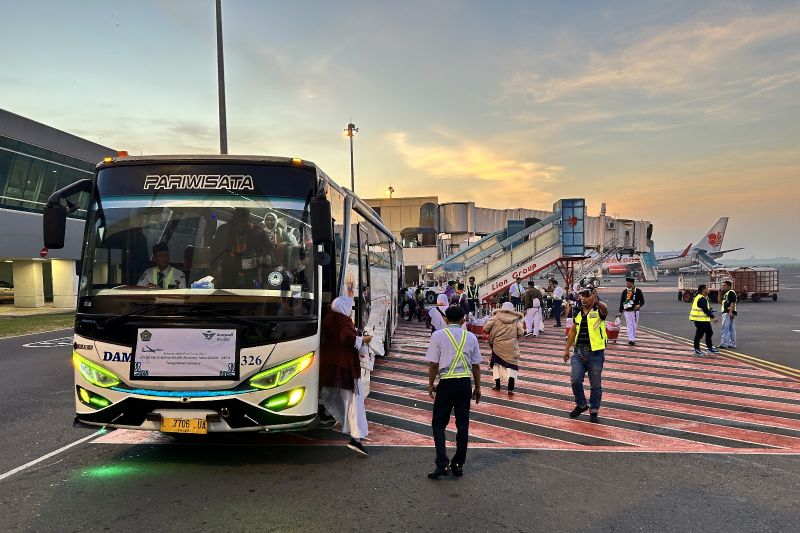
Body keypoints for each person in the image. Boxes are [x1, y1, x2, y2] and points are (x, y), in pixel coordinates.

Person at [425, 305, 482, 479]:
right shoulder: (471, 337)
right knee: (463, 424)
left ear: (445, 319)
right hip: (464, 384)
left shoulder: (438, 336)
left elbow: (433, 364)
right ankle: (458, 464)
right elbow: (476, 365)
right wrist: (478, 387)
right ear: (463, 320)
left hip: (446, 384)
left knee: (438, 423)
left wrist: (430, 384)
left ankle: (442, 463)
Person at [319, 296, 373, 456]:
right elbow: (347, 339)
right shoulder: (344, 321)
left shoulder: (327, 319)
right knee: (354, 404)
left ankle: (325, 413)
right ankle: (356, 439)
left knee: (329, 392)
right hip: (345, 367)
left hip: (329, 365)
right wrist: (364, 339)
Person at [563, 284, 608, 423]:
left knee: (595, 385)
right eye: (581, 296)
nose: (583, 298)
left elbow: (604, 309)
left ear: (593, 297)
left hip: (595, 353)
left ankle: (594, 410)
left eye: (586, 296)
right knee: (575, 380)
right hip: (579, 352)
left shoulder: (598, 310)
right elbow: (572, 331)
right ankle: (581, 404)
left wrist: (596, 300)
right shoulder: (577, 312)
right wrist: (566, 349)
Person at [210, 208, 274, 289]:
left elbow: (269, 253)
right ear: (234, 216)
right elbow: (214, 252)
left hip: (250, 277)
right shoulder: (224, 230)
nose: (242, 219)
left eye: (244, 216)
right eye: (239, 216)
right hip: (226, 276)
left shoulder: (259, 233)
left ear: (248, 217)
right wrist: (216, 269)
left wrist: (264, 279)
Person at [483, 302, 524, 393]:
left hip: (497, 346)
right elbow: (521, 333)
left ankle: (497, 386)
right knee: (512, 367)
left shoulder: (496, 317)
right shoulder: (516, 319)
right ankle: (510, 388)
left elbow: (485, 328)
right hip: (511, 347)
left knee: (496, 366)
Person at [690, 284, 720, 356]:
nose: (708, 290)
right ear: (703, 290)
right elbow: (705, 310)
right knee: (699, 335)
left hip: (703, 319)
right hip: (700, 320)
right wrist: (713, 317)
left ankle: (709, 348)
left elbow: (705, 308)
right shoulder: (701, 299)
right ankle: (696, 349)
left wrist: (711, 310)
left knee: (709, 332)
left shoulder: (701, 297)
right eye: (707, 288)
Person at [618, 277, 645, 345]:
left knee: (634, 325)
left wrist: (639, 305)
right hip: (627, 311)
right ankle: (631, 339)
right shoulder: (624, 292)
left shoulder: (638, 291)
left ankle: (633, 338)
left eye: (628, 283)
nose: (626, 284)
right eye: (626, 283)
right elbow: (622, 302)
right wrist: (620, 312)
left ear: (632, 283)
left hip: (635, 312)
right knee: (629, 324)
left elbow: (642, 301)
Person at [719, 280, 737, 349]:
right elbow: (720, 302)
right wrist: (719, 293)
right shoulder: (726, 293)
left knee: (725, 328)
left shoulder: (731, 292)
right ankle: (732, 343)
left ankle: (724, 344)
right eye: (722, 285)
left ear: (729, 286)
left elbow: (733, 303)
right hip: (728, 312)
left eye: (724, 285)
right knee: (731, 328)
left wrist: (730, 312)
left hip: (728, 312)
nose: (722, 287)